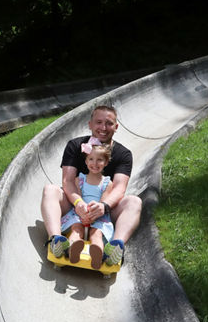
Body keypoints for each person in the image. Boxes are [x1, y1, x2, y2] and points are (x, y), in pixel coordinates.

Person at [41, 105, 142, 267]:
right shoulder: (75, 146)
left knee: (134, 202)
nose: (103, 128)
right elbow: (68, 181)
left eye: (109, 123)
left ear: (116, 127)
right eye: (98, 122)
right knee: (50, 190)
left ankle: (114, 249)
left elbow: (119, 188)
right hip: (75, 206)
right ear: (90, 124)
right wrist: (78, 203)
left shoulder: (123, 154)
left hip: (105, 210)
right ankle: (55, 240)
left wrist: (104, 206)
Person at [59, 139, 115, 268]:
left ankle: (97, 252)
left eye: (99, 160)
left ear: (106, 162)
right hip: (80, 212)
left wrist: (93, 214)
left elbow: (103, 203)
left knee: (96, 233)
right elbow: (77, 198)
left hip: (98, 215)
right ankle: (74, 247)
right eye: (91, 159)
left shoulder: (107, 183)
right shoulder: (80, 179)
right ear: (86, 161)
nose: (95, 163)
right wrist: (83, 212)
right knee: (76, 229)